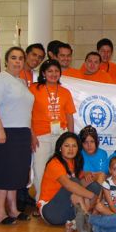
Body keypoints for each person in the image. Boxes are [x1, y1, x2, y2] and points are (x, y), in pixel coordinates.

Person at [0, 46, 34, 225]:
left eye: (20, 58)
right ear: (6, 60)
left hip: (20, 133)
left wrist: (30, 133)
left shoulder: (21, 82)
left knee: (15, 174)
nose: (17, 61)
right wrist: (0, 130)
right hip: (4, 132)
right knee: (3, 174)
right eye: (13, 57)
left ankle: (13, 209)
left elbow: (25, 111)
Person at [30, 59, 76, 201]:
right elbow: (27, 114)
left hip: (61, 135)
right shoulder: (33, 89)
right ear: (43, 73)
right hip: (40, 136)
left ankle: (59, 202)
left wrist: (70, 137)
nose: (53, 74)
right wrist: (31, 135)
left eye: (56, 71)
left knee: (63, 170)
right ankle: (41, 202)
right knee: (40, 170)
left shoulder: (65, 92)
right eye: (50, 71)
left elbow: (69, 116)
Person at [37, 132, 101, 226]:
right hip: (50, 211)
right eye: (67, 146)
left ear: (78, 149)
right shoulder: (54, 163)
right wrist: (92, 196)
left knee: (95, 186)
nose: (71, 149)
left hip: (66, 209)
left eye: (74, 146)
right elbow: (68, 185)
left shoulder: (74, 161)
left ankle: (75, 222)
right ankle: (87, 219)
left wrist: (87, 174)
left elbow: (81, 181)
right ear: (60, 148)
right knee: (74, 183)